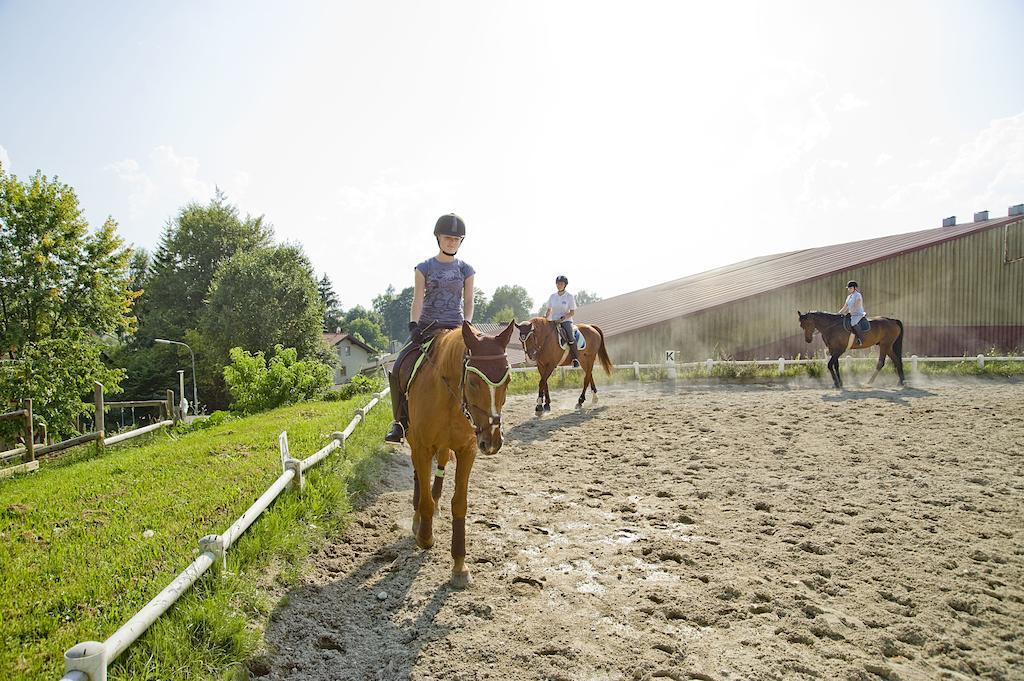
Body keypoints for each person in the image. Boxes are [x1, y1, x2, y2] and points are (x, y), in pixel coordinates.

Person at [384, 214, 475, 444]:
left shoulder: (466, 270)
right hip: (427, 327)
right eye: (448, 238)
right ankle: (401, 422)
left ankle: (480, 419)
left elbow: (469, 301)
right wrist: (413, 324)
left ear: (461, 241)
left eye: (456, 239)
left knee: (480, 366)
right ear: (438, 238)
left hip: (456, 327)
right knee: (398, 368)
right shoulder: (424, 267)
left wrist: (467, 325)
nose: (451, 242)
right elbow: (417, 300)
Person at [545, 275, 580, 368]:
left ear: (565, 285)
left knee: (570, 336)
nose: (559, 285)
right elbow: (549, 310)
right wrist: (545, 318)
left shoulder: (569, 297)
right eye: (558, 283)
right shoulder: (552, 296)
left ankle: (576, 359)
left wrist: (563, 318)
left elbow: (572, 312)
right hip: (553, 321)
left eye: (561, 283)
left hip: (566, 321)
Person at [838, 280, 870, 346]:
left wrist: (850, 312)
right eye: (848, 288)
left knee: (853, 323)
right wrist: (838, 313)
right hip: (851, 314)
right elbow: (845, 307)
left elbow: (857, 305)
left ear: (855, 288)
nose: (849, 289)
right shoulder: (849, 297)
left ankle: (861, 339)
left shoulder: (858, 295)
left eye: (851, 288)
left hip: (858, 313)